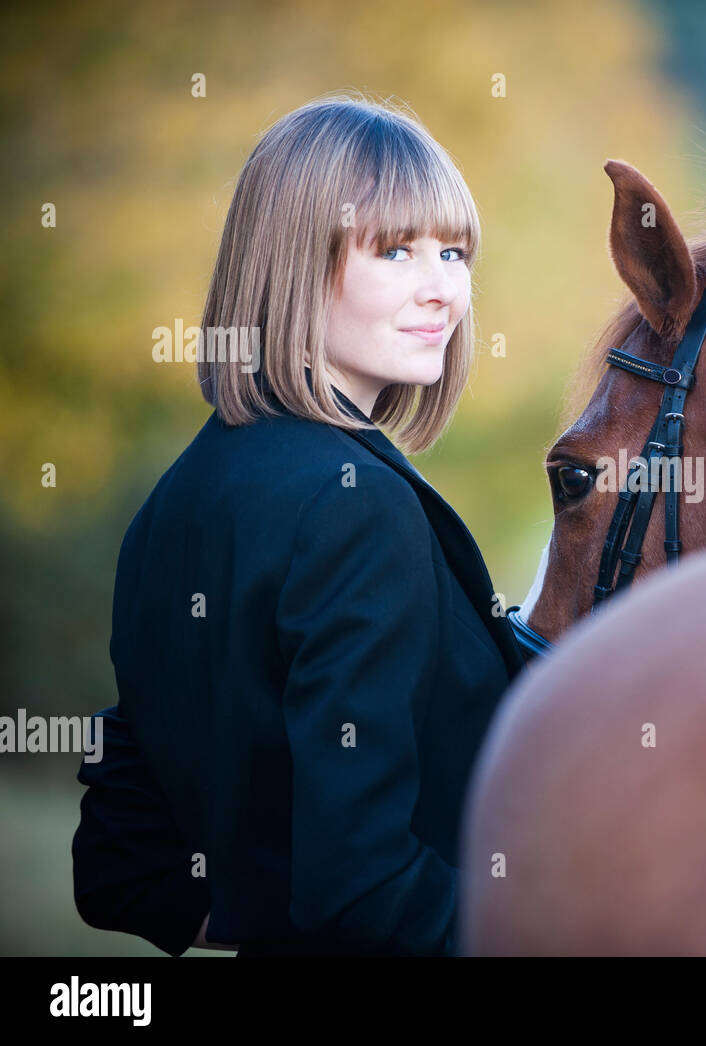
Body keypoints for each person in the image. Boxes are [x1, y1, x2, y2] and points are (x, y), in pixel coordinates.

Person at [71, 93, 524, 956]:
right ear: (292, 264)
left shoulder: (173, 502)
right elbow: (362, 891)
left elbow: (123, 869)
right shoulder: (357, 503)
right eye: (396, 251)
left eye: (455, 252)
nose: (444, 289)